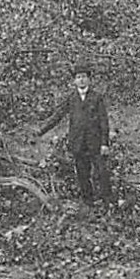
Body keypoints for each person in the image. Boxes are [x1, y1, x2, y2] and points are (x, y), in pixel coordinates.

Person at [36, 62, 112, 203]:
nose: (81, 80)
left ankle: (108, 202)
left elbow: (104, 122)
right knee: (83, 174)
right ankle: (88, 203)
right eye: (78, 77)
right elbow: (57, 116)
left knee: (102, 172)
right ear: (74, 81)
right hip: (78, 143)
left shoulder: (97, 97)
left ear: (89, 79)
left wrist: (104, 143)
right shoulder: (71, 98)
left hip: (95, 142)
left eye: (84, 77)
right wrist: (41, 131)